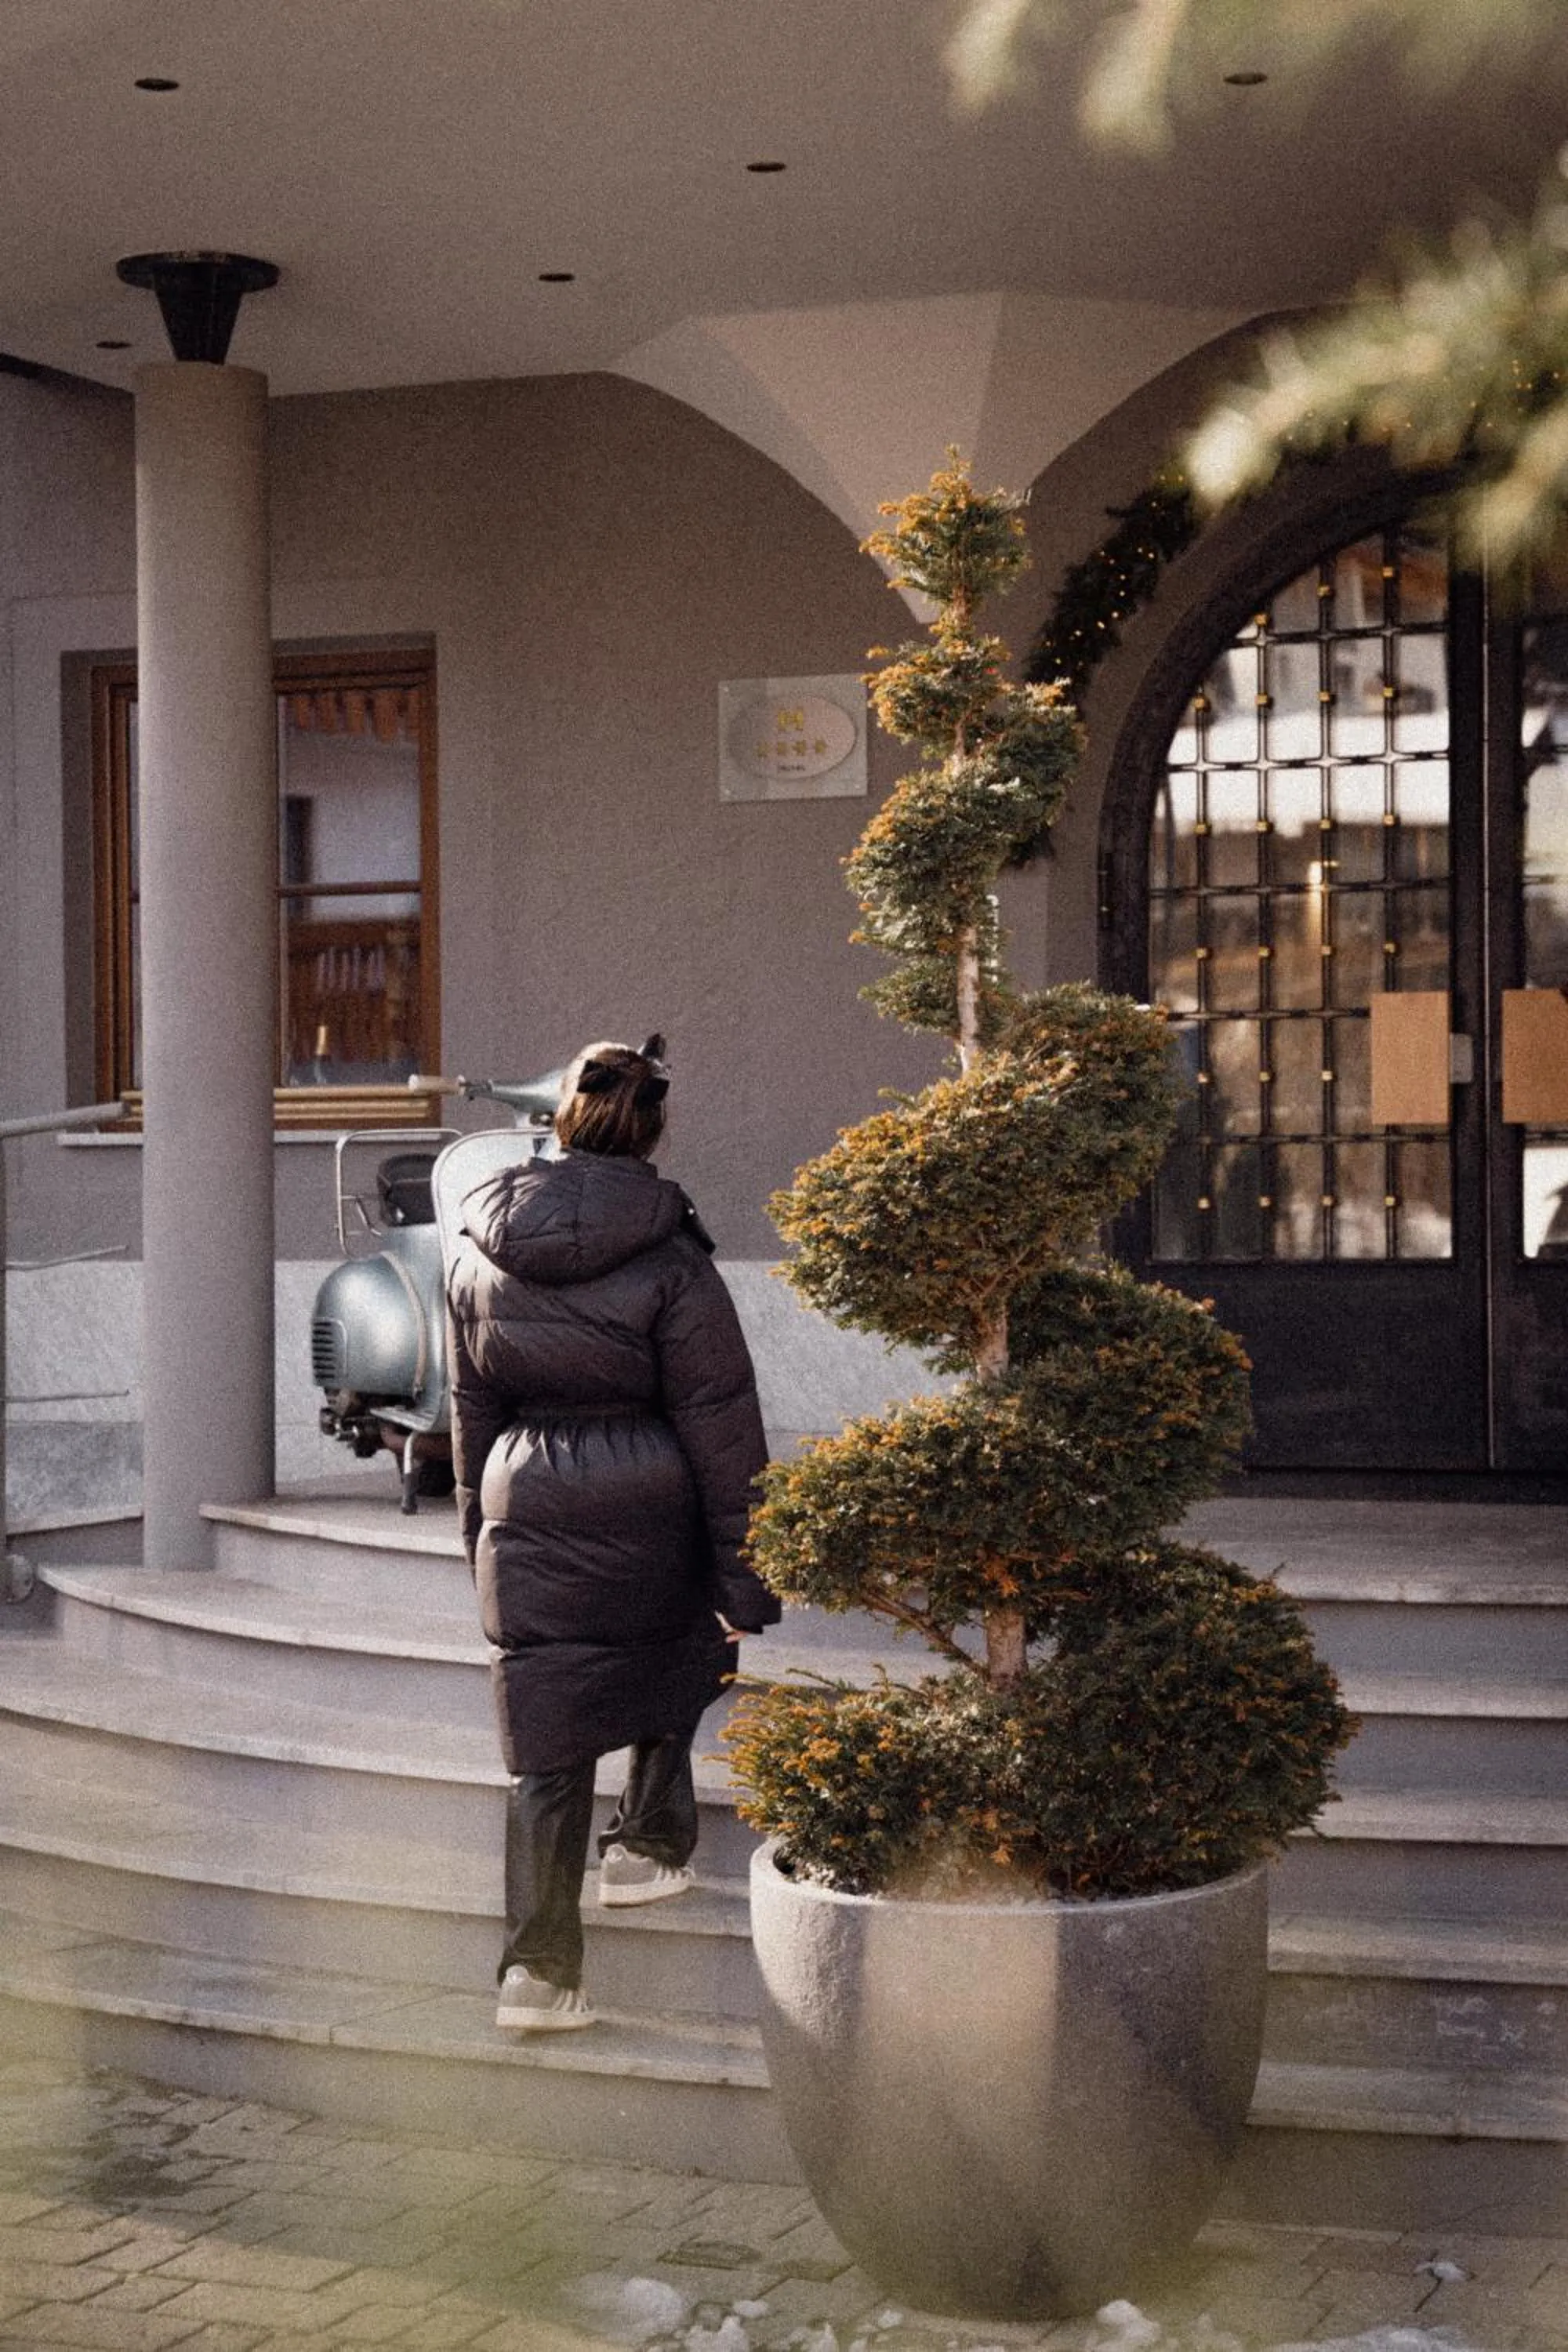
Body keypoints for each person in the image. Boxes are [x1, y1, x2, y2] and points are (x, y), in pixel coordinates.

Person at [446, 1033, 780, 2031]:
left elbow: (469, 1409)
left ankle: (536, 1975)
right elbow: (721, 1422)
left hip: (525, 1493)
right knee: (683, 1642)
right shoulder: (673, 1257)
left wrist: (479, 1541)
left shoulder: (474, 1244)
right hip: (651, 1489)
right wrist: (745, 1577)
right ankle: (644, 1847)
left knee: (545, 1736)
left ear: (560, 1119)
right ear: (651, 1128)